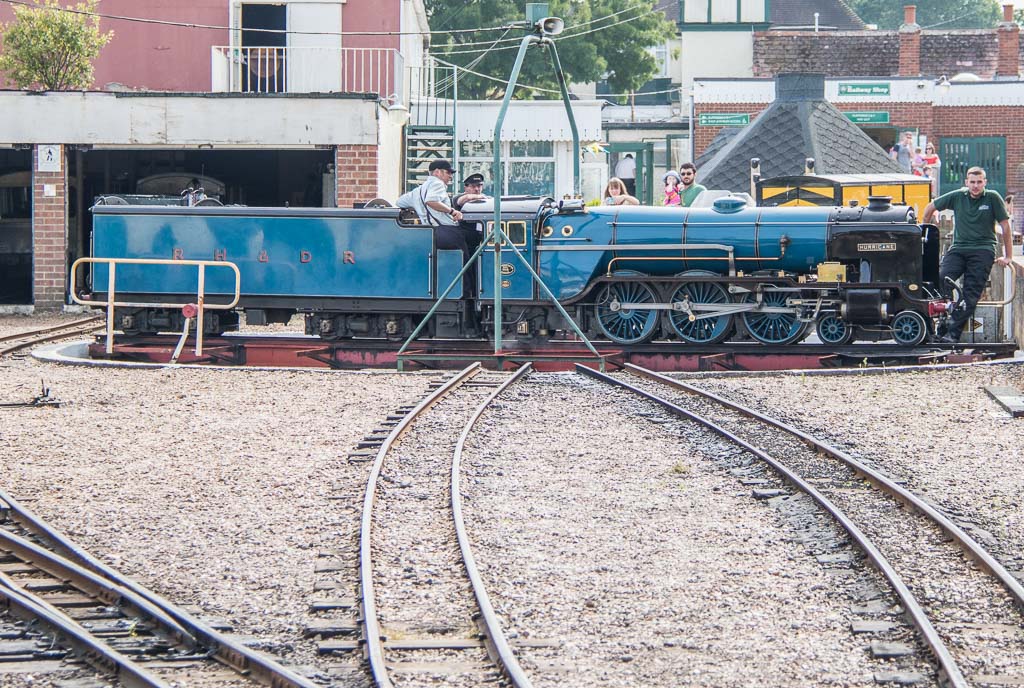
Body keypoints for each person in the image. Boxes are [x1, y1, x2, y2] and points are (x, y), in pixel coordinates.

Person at [921, 166, 1012, 343]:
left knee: (970, 292)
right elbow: (930, 207)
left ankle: (952, 335)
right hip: (959, 248)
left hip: (983, 249)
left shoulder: (993, 197)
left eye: (979, 182)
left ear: (985, 182)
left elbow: (1005, 227)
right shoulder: (957, 196)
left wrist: (1008, 256)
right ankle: (941, 325)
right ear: (967, 183)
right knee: (940, 278)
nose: (976, 186)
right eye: (972, 182)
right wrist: (926, 229)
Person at [396, 159, 475, 302]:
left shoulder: (418, 190)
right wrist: (452, 211)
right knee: (467, 263)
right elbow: (431, 201)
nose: (450, 176)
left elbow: (400, 202)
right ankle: (469, 295)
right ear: (437, 172)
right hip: (448, 231)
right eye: (448, 172)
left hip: (431, 233)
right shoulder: (437, 183)